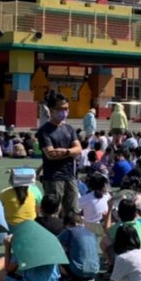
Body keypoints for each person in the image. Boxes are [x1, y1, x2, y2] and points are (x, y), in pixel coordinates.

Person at [36, 93, 82, 224]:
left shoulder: (69, 129)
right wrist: (71, 152)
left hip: (70, 176)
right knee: (53, 215)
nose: (64, 112)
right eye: (61, 109)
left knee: (73, 213)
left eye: (66, 108)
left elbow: (78, 149)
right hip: (53, 178)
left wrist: (65, 151)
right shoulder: (44, 131)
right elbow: (51, 155)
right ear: (51, 110)